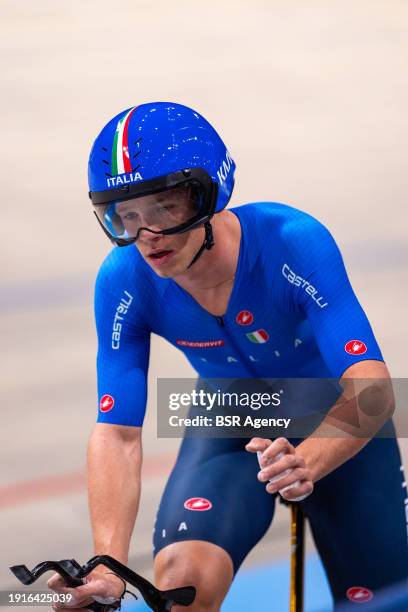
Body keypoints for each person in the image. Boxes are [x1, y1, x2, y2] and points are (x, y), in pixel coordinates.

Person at [48, 103, 407, 611]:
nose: (146, 236)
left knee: (379, 602)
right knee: (181, 591)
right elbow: (117, 431)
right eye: (125, 216)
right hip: (232, 417)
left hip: (337, 417)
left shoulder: (291, 241)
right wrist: (108, 563)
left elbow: (372, 387)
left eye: (163, 208)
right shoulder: (124, 279)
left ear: (207, 196)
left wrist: (311, 458)